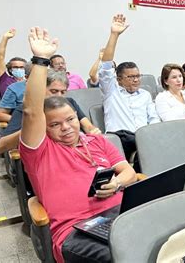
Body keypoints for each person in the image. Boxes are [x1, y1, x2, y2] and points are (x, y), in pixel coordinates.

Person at [19, 26, 136, 263]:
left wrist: (116, 183)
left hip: (122, 216)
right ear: (45, 128)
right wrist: (41, 60)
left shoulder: (97, 141)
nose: (66, 127)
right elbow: (32, 111)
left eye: (71, 119)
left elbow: (129, 172)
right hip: (75, 230)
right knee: (130, 255)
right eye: (55, 124)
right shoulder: (40, 152)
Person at [98, 14, 160, 160]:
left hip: (143, 139)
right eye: (131, 77)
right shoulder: (111, 91)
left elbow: (153, 117)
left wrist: (155, 133)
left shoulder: (145, 94)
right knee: (131, 140)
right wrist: (114, 35)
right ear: (119, 79)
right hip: (121, 139)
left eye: (138, 76)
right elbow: (106, 66)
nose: (136, 80)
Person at [0, 69, 101, 154]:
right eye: (54, 91)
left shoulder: (69, 103)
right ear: (42, 89)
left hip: (78, 151)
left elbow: (87, 126)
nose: (59, 96)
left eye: (63, 92)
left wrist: (93, 131)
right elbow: (2, 146)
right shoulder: (28, 110)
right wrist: (32, 127)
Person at [0, 28, 27, 97]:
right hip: (10, 107)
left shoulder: (29, 83)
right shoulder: (5, 79)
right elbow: (0, 58)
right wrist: (5, 38)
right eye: (15, 67)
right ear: (10, 69)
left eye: (22, 67)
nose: (19, 69)